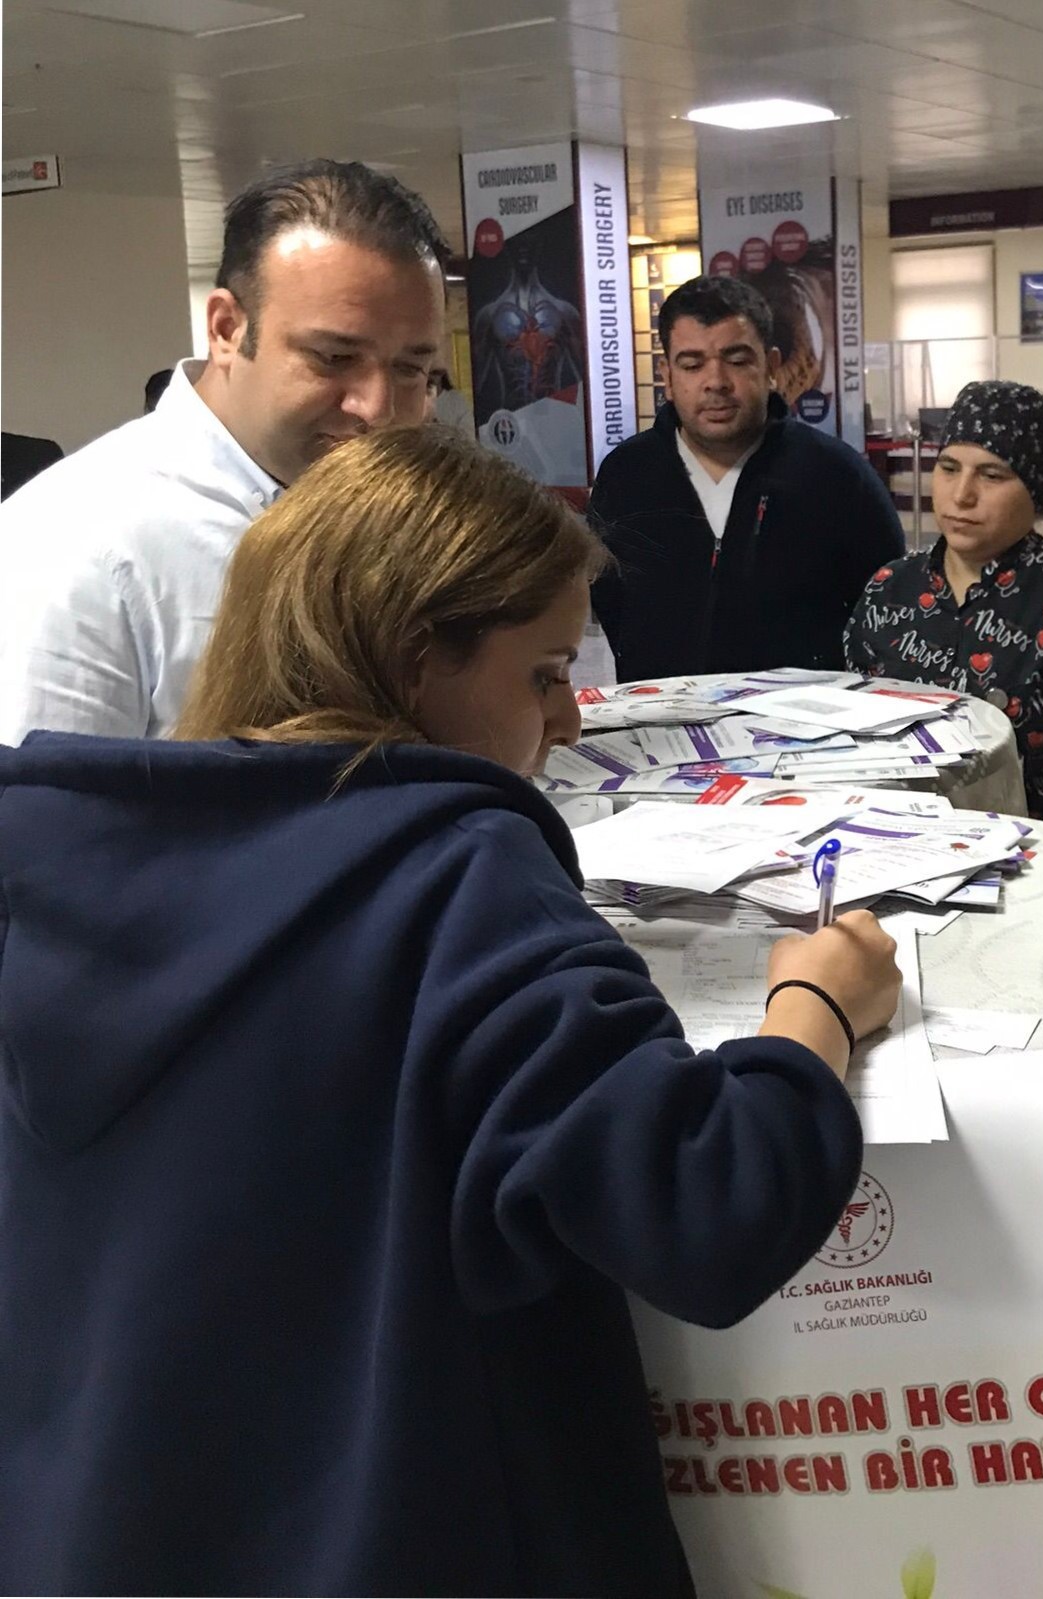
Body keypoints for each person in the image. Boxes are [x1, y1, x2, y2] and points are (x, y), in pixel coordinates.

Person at [0, 425, 901, 1597]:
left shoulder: (55, 862)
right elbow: (707, 1202)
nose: (569, 720)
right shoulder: (455, 875)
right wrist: (814, 1003)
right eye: (543, 673)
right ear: (419, 657)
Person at [0, 158, 449, 745]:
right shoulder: (77, 544)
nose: (376, 408)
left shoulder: (389, 517)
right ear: (226, 330)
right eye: (334, 358)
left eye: (411, 368)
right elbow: (42, 828)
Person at [846, 380, 1043, 845]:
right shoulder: (890, 590)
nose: (962, 494)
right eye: (949, 468)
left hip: (1034, 871)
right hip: (892, 854)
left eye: (992, 475)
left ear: (1037, 490)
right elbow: (849, 744)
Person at [589, 274, 905, 681]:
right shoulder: (627, 476)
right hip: (659, 730)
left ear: (771, 367)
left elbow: (885, 609)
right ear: (667, 375)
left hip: (803, 733)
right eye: (692, 364)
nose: (716, 382)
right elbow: (609, 599)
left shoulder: (838, 478)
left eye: (737, 361)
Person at [428, 364, 476, 439]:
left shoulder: (456, 399)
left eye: (434, 373)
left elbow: (469, 434)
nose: (430, 377)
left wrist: (443, 431)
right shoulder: (415, 400)